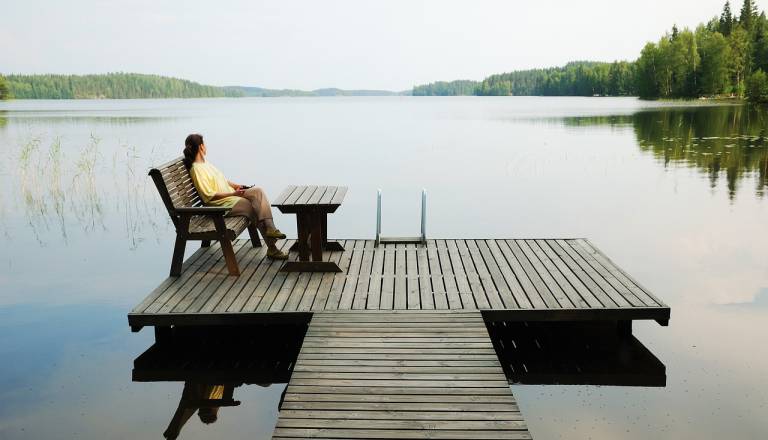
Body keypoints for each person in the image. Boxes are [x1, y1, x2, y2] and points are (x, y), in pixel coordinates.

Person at [183, 133, 288, 260]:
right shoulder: (197, 169)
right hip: (222, 205)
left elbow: (222, 180)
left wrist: (236, 186)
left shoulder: (206, 164)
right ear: (201, 147)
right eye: (205, 144)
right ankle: (272, 248)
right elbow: (208, 196)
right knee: (254, 207)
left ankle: (271, 228)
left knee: (258, 192)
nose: (206, 147)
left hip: (232, 197)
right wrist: (233, 193)